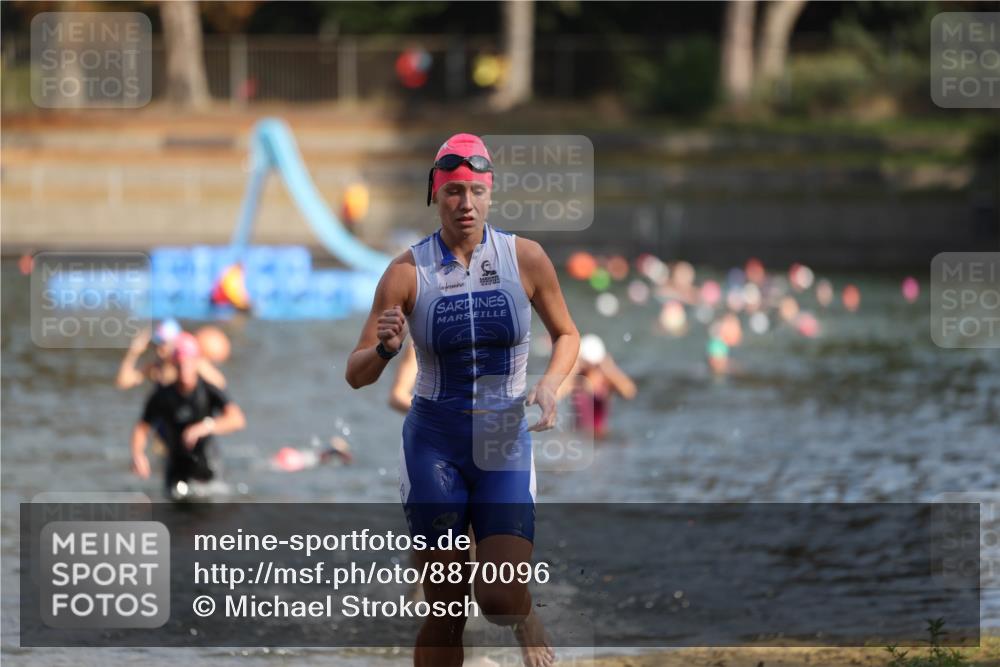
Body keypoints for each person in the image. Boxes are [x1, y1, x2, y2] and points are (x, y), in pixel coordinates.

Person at [346, 133, 579, 667]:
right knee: (447, 607)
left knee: (497, 600)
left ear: (491, 195)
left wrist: (549, 384)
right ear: (436, 195)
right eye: (453, 191)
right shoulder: (406, 272)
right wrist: (385, 349)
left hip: (502, 438)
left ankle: (524, 616)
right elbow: (355, 374)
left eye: (476, 190)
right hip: (434, 443)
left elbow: (568, 335)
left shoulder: (526, 258)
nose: (465, 203)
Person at [130, 332, 245, 499]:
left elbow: (237, 420)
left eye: (189, 364)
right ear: (175, 365)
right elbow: (142, 427)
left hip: (207, 464)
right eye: (180, 364)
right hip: (176, 464)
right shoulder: (163, 395)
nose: (184, 369)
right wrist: (138, 455)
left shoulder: (208, 389)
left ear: (196, 363)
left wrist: (205, 427)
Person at [116, 318, 227, 390]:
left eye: (164, 344)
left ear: (176, 343)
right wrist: (133, 353)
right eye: (157, 343)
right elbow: (123, 383)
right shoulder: (155, 369)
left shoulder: (193, 364)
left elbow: (220, 384)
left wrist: (195, 363)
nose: (159, 349)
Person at [563, 334, 637, 440]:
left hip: (599, 437)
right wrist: (572, 368)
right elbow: (557, 392)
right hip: (579, 436)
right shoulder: (576, 378)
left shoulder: (605, 380)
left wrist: (609, 368)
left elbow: (629, 392)